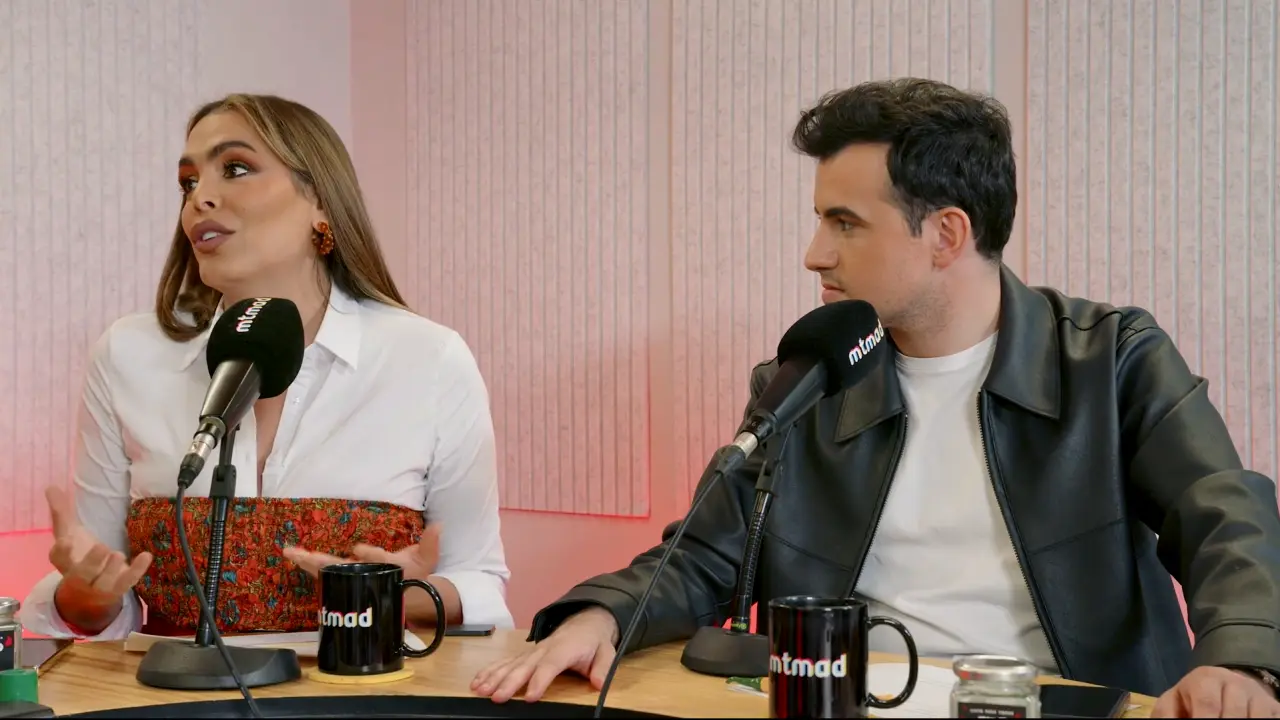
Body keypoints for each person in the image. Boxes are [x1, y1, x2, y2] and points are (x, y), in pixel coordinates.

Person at [472, 78, 1280, 718]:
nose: (814, 253)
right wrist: (603, 615)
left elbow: (1222, 511)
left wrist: (1242, 660)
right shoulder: (809, 378)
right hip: (850, 701)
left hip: (1056, 704)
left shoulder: (1110, 359)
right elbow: (706, 556)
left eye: (845, 223)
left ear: (947, 234)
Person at [21, 93, 514, 640]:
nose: (200, 198)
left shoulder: (429, 359)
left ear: (321, 202)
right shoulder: (127, 354)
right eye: (188, 182)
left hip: (362, 683)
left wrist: (391, 594)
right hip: (166, 686)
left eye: (235, 169)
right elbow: (100, 593)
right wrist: (84, 598)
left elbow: (479, 584)